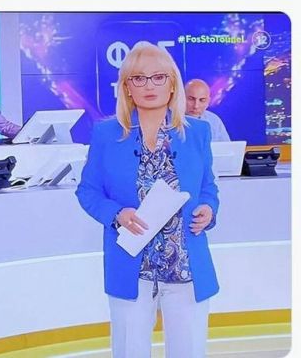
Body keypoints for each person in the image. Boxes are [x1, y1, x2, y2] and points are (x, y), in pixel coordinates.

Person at [76, 41, 219, 358]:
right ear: (127, 87)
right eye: (138, 78)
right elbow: (87, 191)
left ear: (172, 84)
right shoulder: (106, 134)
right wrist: (116, 213)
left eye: (158, 77)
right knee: (130, 350)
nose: (149, 85)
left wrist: (209, 209)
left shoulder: (198, 132)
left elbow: (208, 187)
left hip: (185, 264)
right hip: (131, 264)